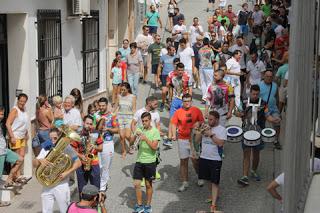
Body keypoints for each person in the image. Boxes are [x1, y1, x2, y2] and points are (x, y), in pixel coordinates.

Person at [237, 85, 280, 186]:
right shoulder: (244, 102)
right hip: (246, 130)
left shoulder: (264, 103)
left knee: (256, 153)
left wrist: (274, 120)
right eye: (253, 94)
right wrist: (239, 114)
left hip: (259, 131)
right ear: (250, 93)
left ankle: (253, 171)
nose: (255, 96)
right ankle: (244, 176)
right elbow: (238, 112)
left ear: (259, 93)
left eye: (257, 94)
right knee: (246, 153)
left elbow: (267, 115)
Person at [33, 128, 82, 213]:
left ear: (59, 137)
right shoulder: (46, 148)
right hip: (47, 185)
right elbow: (34, 163)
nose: (52, 141)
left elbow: (78, 163)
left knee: (65, 210)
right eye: (51, 138)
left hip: (61, 184)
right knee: (46, 210)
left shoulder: (67, 148)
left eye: (55, 138)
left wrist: (67, 172)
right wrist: (40, 160)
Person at [171, 94, 205, 192]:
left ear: (191, 101)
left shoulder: (196, 110)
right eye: (185, 101)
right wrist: (173, 135)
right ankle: (185, 182)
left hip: (194, 139)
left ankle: (200, 176)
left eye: (189, 101)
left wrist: (199, 123)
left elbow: (202, 122)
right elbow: (173, 124)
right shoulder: (178, 112)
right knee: (183, 161)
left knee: (195, 160)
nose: (187, 103)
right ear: (182, 102)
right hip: (182, 139)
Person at [195, 110, 226, 212]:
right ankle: (214, 195)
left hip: (215, 159)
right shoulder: (205, 127)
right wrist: (201, 131)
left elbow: (220, 143)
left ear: (217, 120)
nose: (209, 121)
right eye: (208, 119)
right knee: (208, 179)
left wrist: (211, 134)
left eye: (211, 119)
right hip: (204, 157)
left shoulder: (222, 130)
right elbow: (197, 141)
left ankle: (213, 204)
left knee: (214, 182)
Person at [130, 112, 161, 213]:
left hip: (150, 162)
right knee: (136, 184)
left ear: (150, 120)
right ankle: (139, 205)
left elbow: (154, 147)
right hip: (139, 160)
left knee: (148, 184)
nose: (144, 123)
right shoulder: (140, 129)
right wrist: (135, 136)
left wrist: (146, 138)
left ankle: (148, 205)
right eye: (142, 121)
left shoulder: (155, 132)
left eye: (146, 121)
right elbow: (131, 143)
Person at [71, 115, 103, 195]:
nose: (89, 126)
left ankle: (95, 205)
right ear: (83, 123)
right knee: (82, 188)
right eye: (87, 123)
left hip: (94, 162)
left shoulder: (96, 133)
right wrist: (80, 155)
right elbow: (72, 150)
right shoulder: (77, 135)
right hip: (81, 162)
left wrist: (94, 146)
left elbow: (101, 148)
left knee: (96, 187)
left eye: (90, 124)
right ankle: (82, 205)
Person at [93, 97, 119, 192]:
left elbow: (117, 130)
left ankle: (102, 186)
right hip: (97, 142)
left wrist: (108, 129)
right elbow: (92, 128)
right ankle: (100, 181)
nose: (101, 107)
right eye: (99, 105)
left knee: (106, 166)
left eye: (103, 105)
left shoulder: (112, 116)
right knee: (98, 165)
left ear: (107, 105)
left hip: (108, 143)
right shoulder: (95, 115)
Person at [163, 62, 192, 147]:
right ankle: (169, 139)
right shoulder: (171, 75)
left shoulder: (188, 76)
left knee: (186, 121)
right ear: (176, 69)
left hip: (185, 100)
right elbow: (170, 88)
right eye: (179, 70)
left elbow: (190, 90)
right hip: (175, 99)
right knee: (172, 120)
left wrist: (189, 101)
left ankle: (188, 139)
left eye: (182, 70)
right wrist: (169, 100)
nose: (180, 72)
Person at [6, 93, 29, 183]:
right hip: (15, 136)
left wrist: (26, 132)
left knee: (21, 156)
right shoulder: (14, 110)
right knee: (17, 158)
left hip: (22, 136)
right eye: (21, 101)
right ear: (18, 100)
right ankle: (12, 177)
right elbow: (7, 124)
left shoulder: (24, 110)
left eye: (24, 101)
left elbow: (25, 122)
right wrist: (12, 137)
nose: (22, 103)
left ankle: (17, 176)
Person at [0, 106, 23, 193]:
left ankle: (9, 178)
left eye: (2, 114)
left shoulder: (1, 123)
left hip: (4, 150)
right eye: (0, 114)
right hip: (0, 153)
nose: (1, 116)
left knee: (20, 160)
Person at [258, 71, 281, 149]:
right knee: (261, 125)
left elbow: (277, 98)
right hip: (262, 110)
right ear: (264, 76)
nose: (269, 78)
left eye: (271, 76)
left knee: (277, 123)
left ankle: (276, 140)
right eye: (267, 76)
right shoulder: (259, 85)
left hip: (273, 109)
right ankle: (261, 139)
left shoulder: (275, 85)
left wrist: (279, 111)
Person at [114, 82, 136, 158]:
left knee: (127, 135)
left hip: (129, 118)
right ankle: (124, 151)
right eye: (121, 89)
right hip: (120, 117)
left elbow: (133, 109)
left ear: (128, 89)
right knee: (121, 136)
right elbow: (115, 107)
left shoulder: (133, 97)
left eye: (123, 89)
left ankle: (132, 144)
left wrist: (134, 120)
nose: (122, 91)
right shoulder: (119, 96)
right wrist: (111, 115)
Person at [157, 45, 177, 112]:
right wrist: (158, 77)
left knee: (171, 91)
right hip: (164, 75)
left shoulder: (176, 57)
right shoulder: (163, 57)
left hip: (173, 76)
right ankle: (163, 103)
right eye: (173, 50)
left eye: (174, 50)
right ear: (168, 50)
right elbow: (159, 67)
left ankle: (169, 103)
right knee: (164, 91)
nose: (174, 51)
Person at [198, 37, 215, 103]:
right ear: (208, 42)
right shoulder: (210, 50)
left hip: (201, 67)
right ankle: (207, 96)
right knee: (209, 82)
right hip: (209, 67)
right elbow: (213, 58)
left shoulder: (200, 50)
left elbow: (199, 57)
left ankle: (204, 97)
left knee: (203, 82)